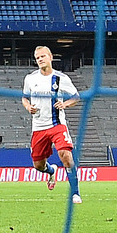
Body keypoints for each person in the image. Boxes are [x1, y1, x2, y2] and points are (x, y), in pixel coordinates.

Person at [22, 45, 82, 202]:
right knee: (38, 165)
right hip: (38, 128)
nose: (40, 59)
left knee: (66, 156)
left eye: (42, 56)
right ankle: (51, 171)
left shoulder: (61, 78)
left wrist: (65, 104)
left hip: (57, 125)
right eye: (37, 58)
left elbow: (76, 97)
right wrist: (28, 107)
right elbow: (24, 97)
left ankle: (75, 193)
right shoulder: (30, 79)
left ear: (50, 57)